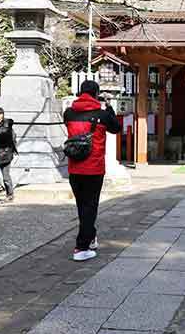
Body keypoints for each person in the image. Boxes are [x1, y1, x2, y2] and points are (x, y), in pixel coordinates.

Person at [63, 80, 119, 262]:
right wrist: (109, 108)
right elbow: (115, 129)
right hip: (94, 168)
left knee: (82, 205)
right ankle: (81, 247)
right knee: (91, 206)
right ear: (96, 94)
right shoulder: (102, 115)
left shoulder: (69, 113)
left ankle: (91, 236)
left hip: (74, 168)